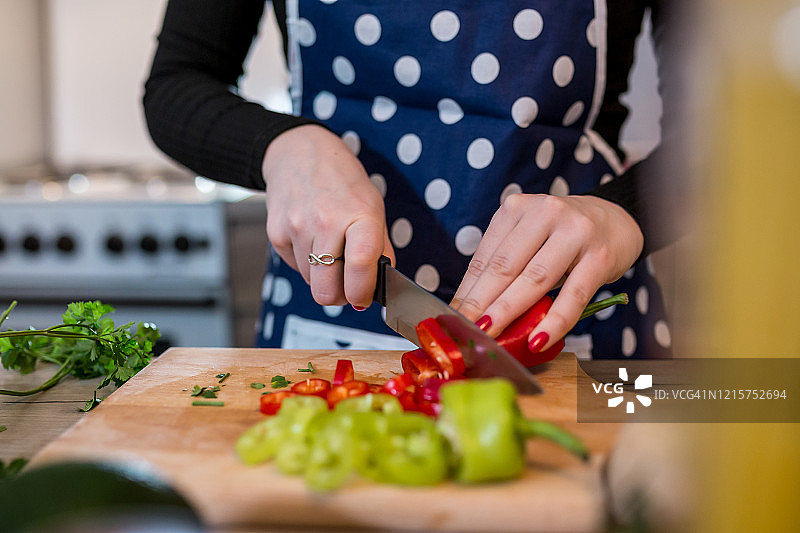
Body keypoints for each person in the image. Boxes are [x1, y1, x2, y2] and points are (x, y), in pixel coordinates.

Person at [144, 0, 680, 358]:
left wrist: (626, 211)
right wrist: (284, 147)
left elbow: (731, 131)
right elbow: (177, 83)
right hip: (325, 318)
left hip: (586, 324)